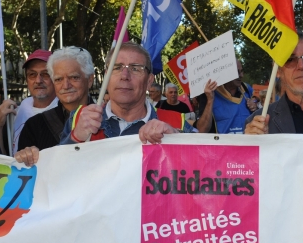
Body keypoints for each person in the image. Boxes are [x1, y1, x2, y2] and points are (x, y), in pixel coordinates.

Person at [59, 42, 193, 147]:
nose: (125, 76)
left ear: (149, 81)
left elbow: (209, 165)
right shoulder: (80, 119)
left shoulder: (176, 123)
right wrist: (75, 138)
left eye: (135, 69)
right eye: (117, 68)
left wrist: (176, 138)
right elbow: (55, 172)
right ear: (106, 77)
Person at [15, 47, 95, 160]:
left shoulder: (109, 119)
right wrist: (25, 156)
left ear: (90, 80)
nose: (66, 85)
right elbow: (25, 174)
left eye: (74, 77)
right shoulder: (34, 126)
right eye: (58, 79)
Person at [0, 49, 58, 155]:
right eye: (32, 74)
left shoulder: (66, 112)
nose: (38, 80)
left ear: (56, 78)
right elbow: (3, 158)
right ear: (27, 80)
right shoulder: (15, 113)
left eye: (45, 74)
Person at [195, 60, 258, 134]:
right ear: (226, 72)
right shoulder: (210, 92)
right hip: (223, 144)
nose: (241, 75)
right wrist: (210, 100)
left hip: (247, 144)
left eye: (241, 71)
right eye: (237, 72)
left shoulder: (246, 88)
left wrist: (254, 103)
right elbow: (202, 130)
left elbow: (258, 100)